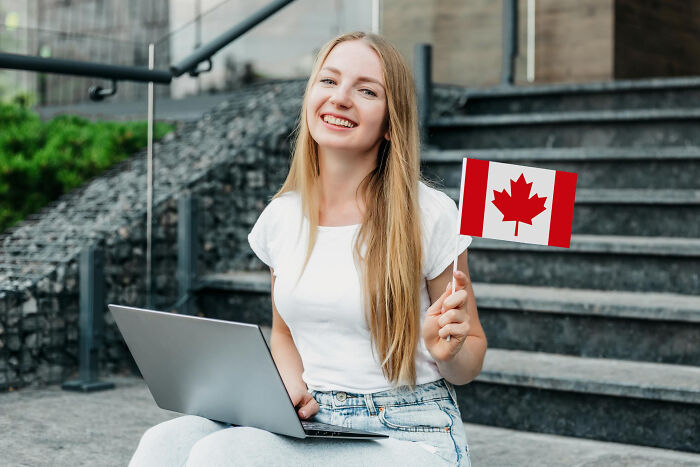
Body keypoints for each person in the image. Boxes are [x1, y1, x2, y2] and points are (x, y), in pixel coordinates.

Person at [129, 31, 487, 467]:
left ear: (391, 123)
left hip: (410, 430)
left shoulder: (428, 213)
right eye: (329, 81)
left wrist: (447, 350)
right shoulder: (282, 216)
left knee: (222, 456)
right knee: (163, 443)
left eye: (367, 90)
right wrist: (288, 383)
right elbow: (283, 333)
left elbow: (468, 361)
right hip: (317, 420)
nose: (341, 98)